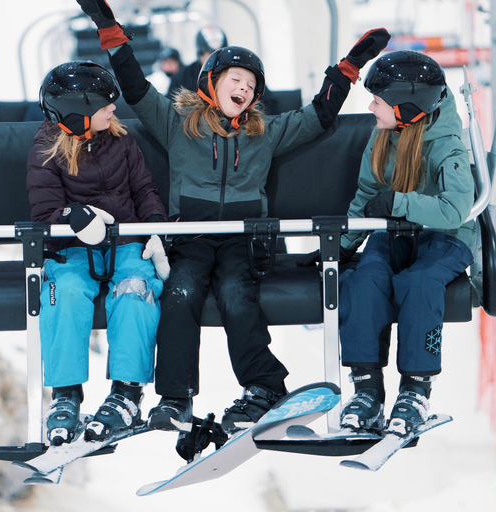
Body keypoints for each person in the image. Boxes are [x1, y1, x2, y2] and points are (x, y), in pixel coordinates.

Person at [76, 0, 389, 433]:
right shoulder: (177, 123)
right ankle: (175, 396)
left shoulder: (265, 132)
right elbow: (135, 87)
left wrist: (350, 67)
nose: (242, 88)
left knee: (236, 296)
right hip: (192, 236)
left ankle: (264, 386)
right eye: (234, 79)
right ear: (212, 83)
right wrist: (108, 27)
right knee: (181, 292)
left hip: (245, 239)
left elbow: (318, 115)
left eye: (250, 85)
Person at [325, 51, 476, 436]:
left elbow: (455, 209)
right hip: (393, 234)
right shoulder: (382, 138)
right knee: (363, 280)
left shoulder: (448, 146)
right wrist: (342, 245)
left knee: (420, 283)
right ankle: (367, 388)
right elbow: (365, 195)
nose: (371, 107)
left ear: (407, 108)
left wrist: (400, 202)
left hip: (444, 238)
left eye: (378, 101)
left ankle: (415, 389)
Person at [26, 61, 170, 445]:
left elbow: (144, 191)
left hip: (125, 244)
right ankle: (65, 394)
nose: (114, 110)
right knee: (65, 296)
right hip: (71, 252)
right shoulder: (46, 148)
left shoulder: (121, 141)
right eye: (106, 106)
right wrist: (75, 218)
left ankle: (126, 393)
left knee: (136, 290)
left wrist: (155, 229)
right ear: (79, 112)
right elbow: (44, 214)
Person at [166, 25, 227, 98]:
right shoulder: (183, 76)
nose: (217, 59)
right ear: (200, 54)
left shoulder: (232, 74)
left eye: (220, 54)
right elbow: (170, 103)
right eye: (211, 54)